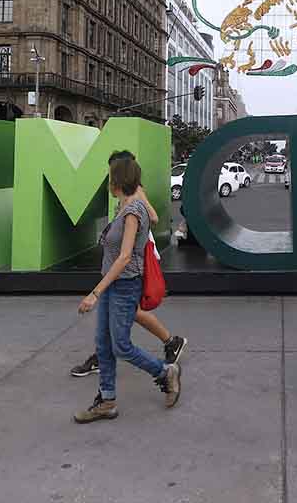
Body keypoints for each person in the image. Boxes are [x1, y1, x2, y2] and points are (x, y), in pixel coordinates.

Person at [74, 155, 182, 423]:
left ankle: (164, 372)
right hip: (113, 284)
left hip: (124, 285)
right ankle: (107, 400)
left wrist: (94, 293)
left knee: (120, 345)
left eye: (111, 175)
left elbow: (124, 258)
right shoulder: (125, 205)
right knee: (104, 344)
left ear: (118, 179)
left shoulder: (133, 211)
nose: (108, 180)